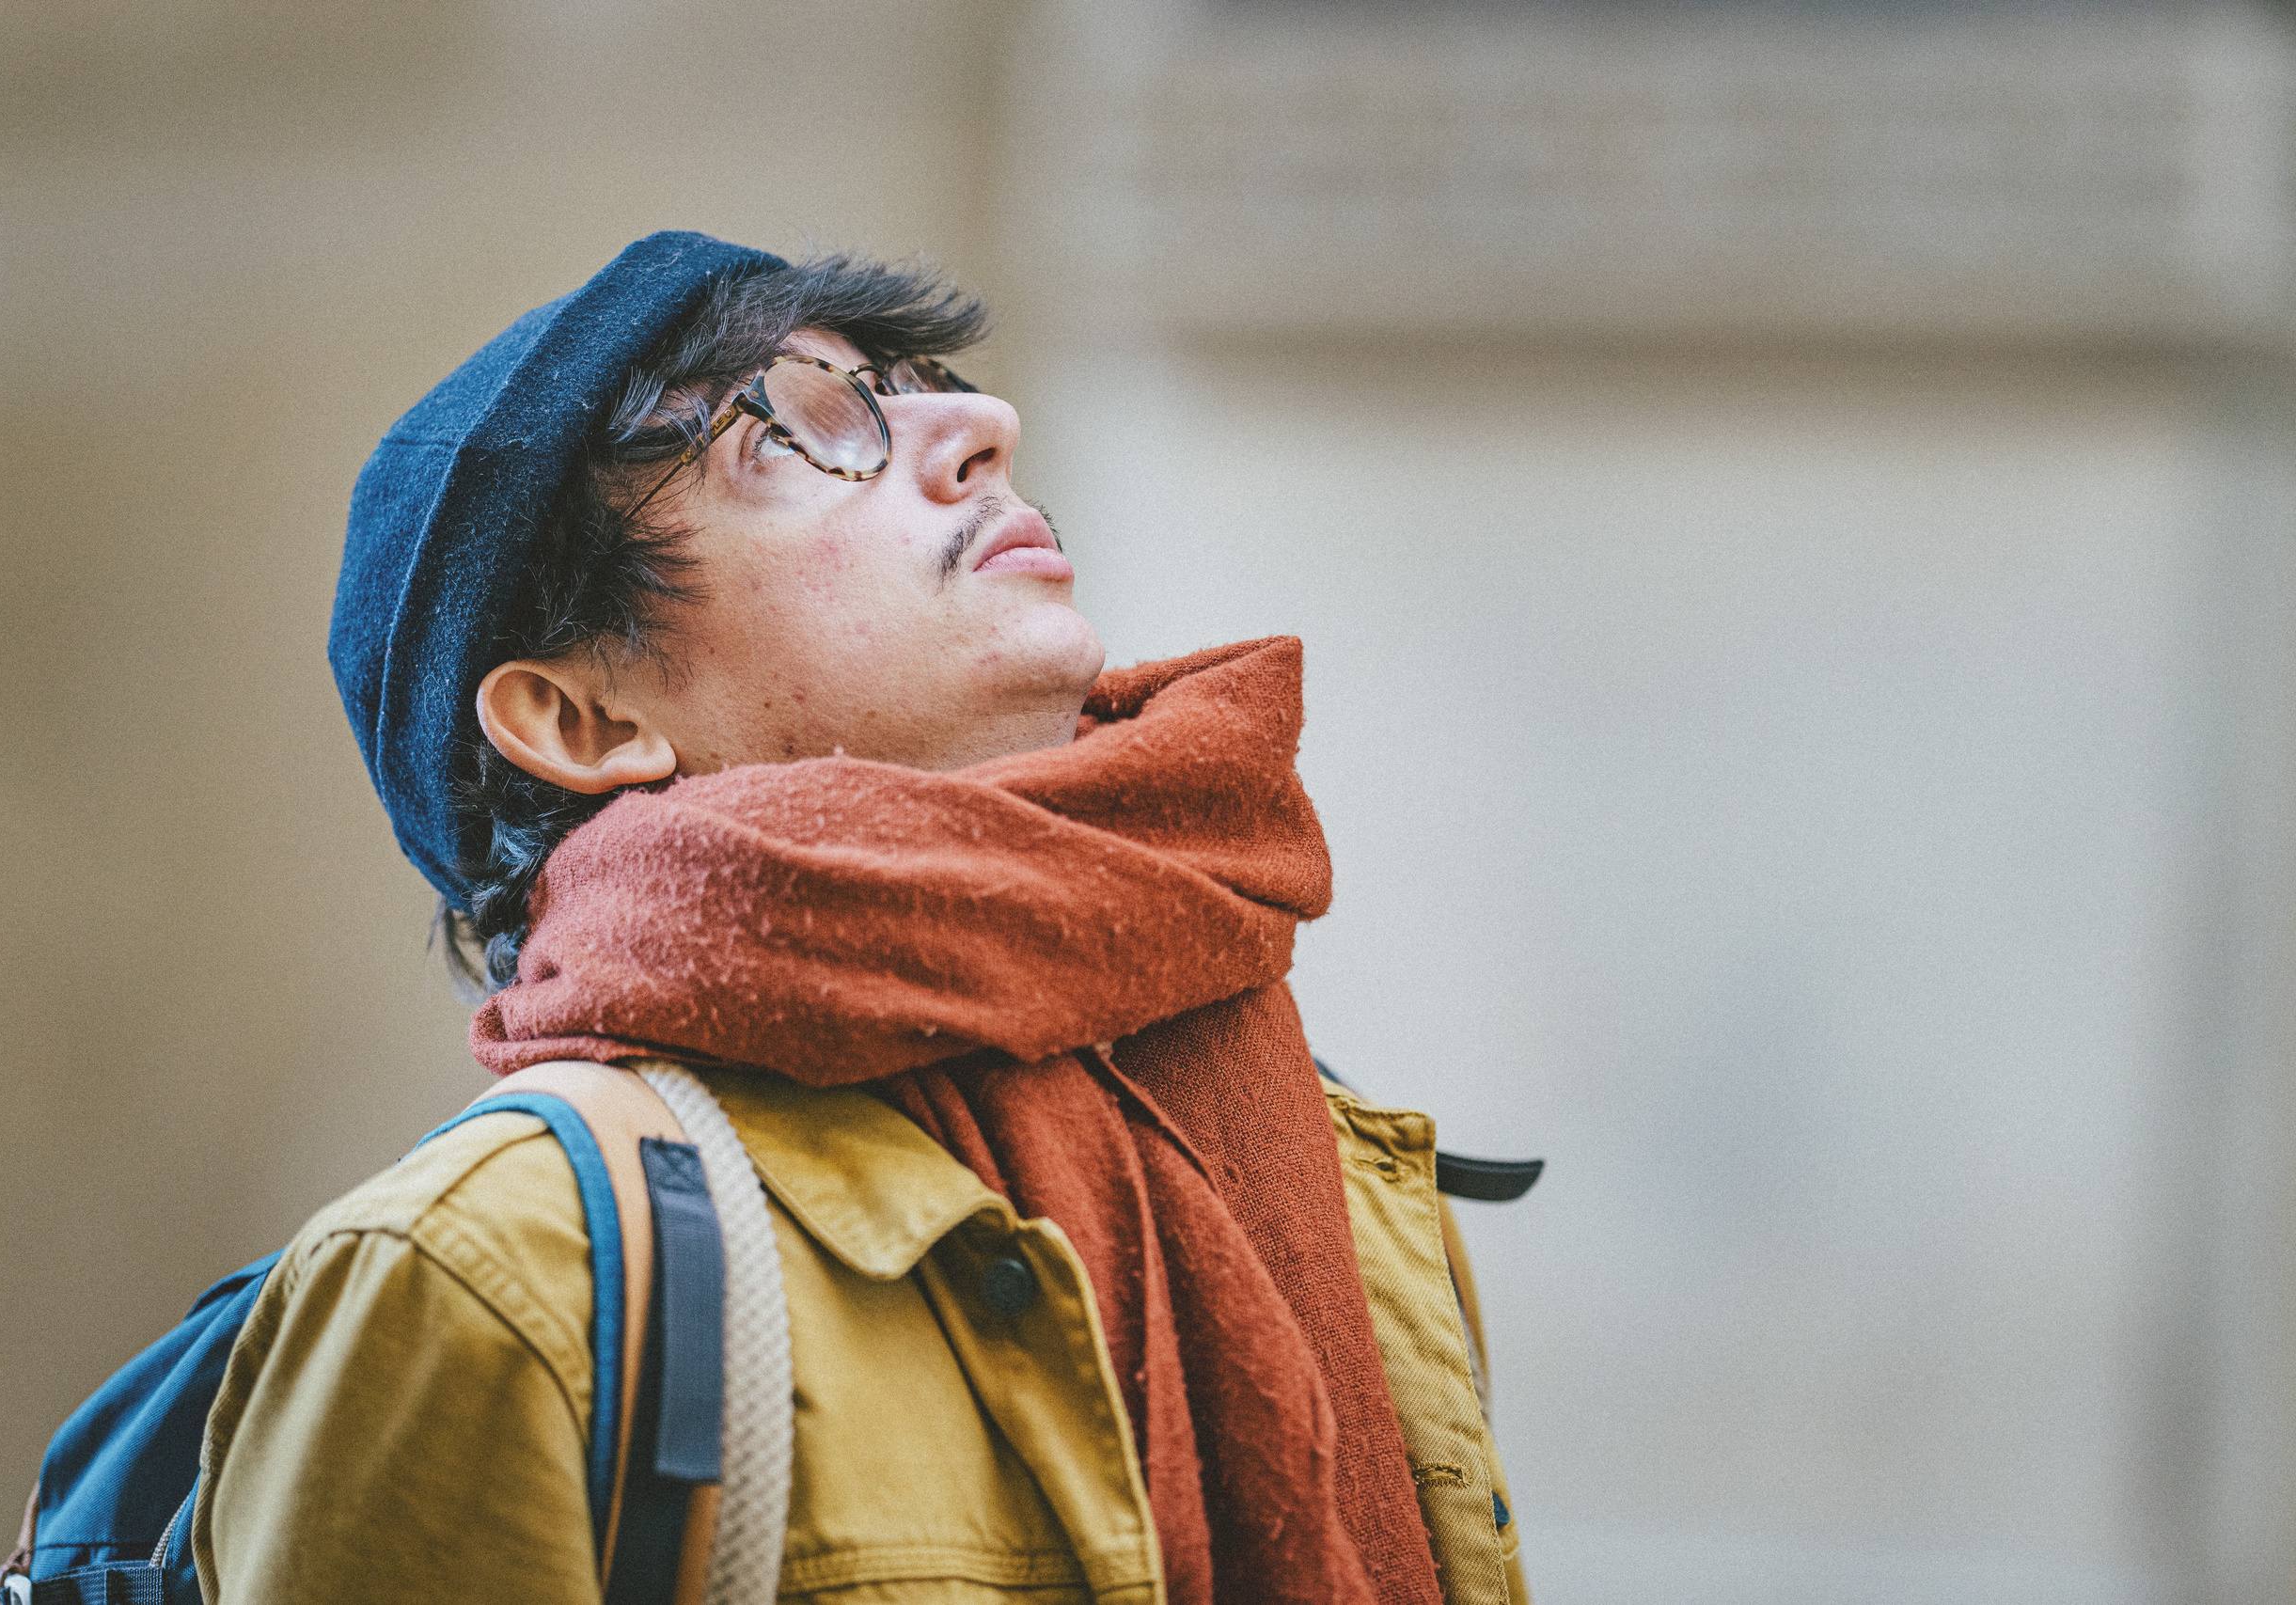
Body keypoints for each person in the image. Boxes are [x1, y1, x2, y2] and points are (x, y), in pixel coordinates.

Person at [199, 231, 1528, 1605]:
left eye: (921, 381)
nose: (982, 428)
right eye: (786, 436)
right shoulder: (500, 1282)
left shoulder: (1342, 1176)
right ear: (584, 719)